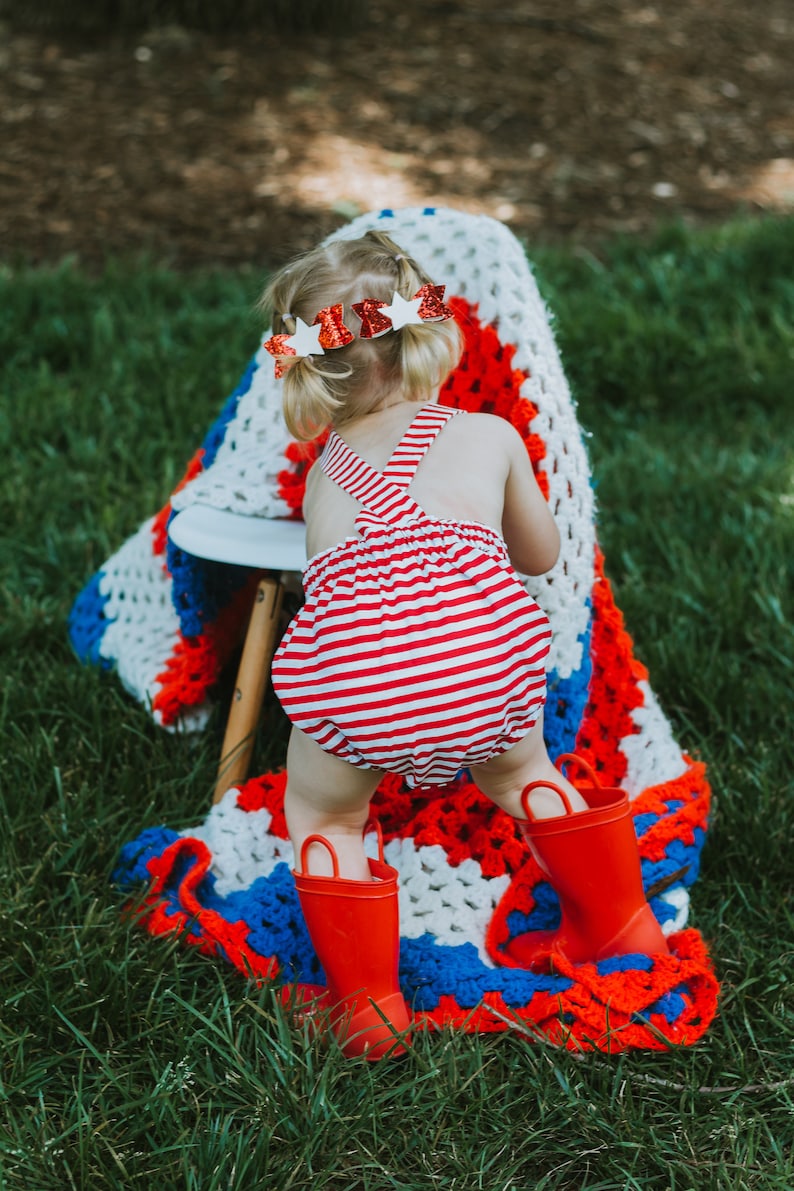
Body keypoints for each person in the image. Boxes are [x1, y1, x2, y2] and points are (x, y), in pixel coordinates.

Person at [260, 230, 667, 1060]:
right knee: (523, 772)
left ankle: (367, 1010)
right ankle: (621, 925)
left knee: (325, 810)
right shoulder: (488, 436)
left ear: (312, 373)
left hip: (359, 685)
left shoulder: (324, 474)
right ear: (430, 336)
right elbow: (543, 555)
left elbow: (332, 590)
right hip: (482, 673)